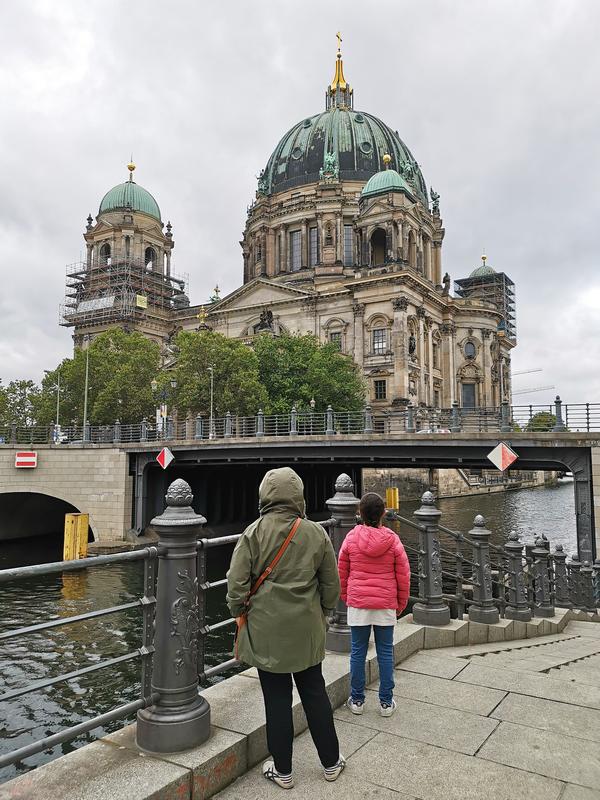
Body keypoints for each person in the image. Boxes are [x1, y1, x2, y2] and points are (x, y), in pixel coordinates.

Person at [227, 467, 345, 790]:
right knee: (314, 693)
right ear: (298, 496)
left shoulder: (253, 533)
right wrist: (321, 611)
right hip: (306, 632)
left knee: (276, 701)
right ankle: (331, 762)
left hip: (267, 634)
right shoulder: (315, 533)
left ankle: (283, 770)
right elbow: (331, 586)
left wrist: (239, 610)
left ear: (265, 495)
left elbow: (236, 584)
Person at [338, 491, 411, 717]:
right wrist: (400, 602)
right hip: (385, 602)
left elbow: (342, 570)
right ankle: (386, 703)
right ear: (383, 514)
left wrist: (346, 596)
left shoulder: (351, 538)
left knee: (358, 652)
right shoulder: (392, 540)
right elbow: (403, 575)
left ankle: (357, 700)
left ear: (360, 513)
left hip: (359, 603)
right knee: (386, 652)